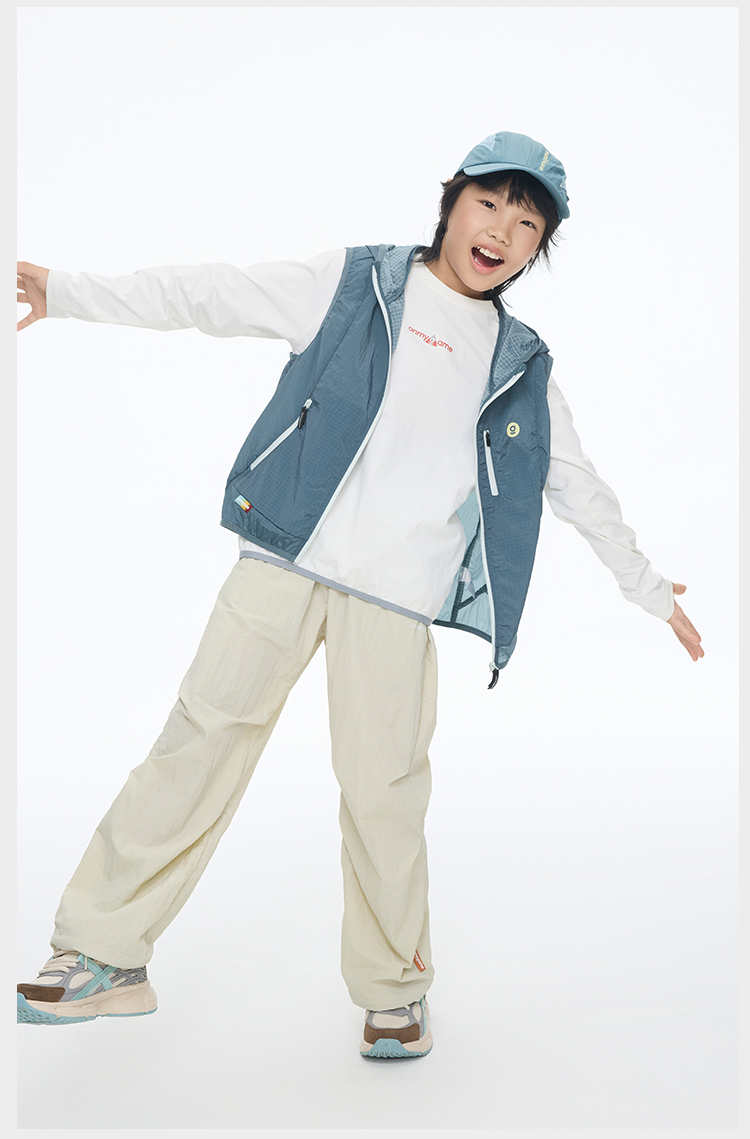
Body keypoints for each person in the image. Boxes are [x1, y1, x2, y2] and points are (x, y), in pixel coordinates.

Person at [16, 131, 703, 1058]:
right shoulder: (355, 282)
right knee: (195, 745)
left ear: (537, 249)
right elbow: (212, 293)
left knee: (384, 793)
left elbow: (574, 482)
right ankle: (102, 956)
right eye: (490, 204)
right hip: (283, 562)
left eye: (527, 225)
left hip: (395, 600)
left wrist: (649, 588)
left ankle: (394, 991)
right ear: (451, 200)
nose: (501, 232)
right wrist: (69, 292)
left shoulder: (518, 359)